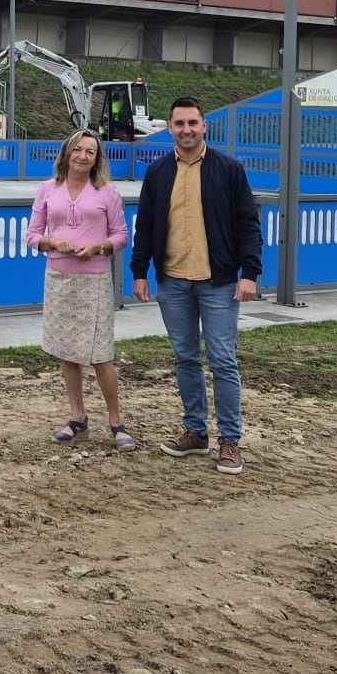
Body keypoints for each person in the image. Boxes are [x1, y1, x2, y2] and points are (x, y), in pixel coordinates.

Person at [129, 96, 261, 476]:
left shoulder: (229, 170)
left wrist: (249, 273)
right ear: (169, 128)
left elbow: (248, 225)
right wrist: (140, 271)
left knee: (222, 361)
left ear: (204, 126)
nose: (186, 130)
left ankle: (230, 441)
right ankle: (196, 432)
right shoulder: (157, 173)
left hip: (218, 284)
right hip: (172, 282)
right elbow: (146, 226)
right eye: (179, 124)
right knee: (185, 359)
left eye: (192, 123)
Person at [27, 130, 134, 451]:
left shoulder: (108, 192)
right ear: (67, 153)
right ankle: (78, 417)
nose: (83, 156)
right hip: (59, 278)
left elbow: (121, 235)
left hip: (95, 280)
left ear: (97, 159)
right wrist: (50, 241)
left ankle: (116, 420)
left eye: (91, 152)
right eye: (78, 150)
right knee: (67, 352)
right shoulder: (47, 189)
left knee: (101, 355)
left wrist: (100, 246)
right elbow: (32, 234)